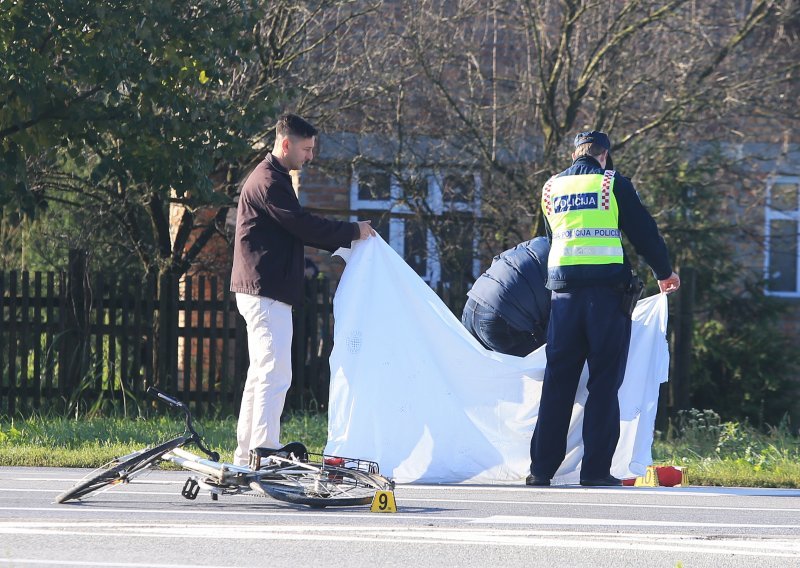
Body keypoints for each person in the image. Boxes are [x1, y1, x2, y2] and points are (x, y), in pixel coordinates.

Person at [527, 130, 680, 487]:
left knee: (558, 384)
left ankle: (541, 471)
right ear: (604, 155)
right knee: (603, 383)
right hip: (606, 299)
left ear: (576, 153)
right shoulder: (613, 184)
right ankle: (595, 472)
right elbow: (643, 232)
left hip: (562, 299)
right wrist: (664, 272)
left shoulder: (551, 189)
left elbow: (553, 241)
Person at [230, 113, 375, 466]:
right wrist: (353, 231)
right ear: (286, 144)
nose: (310, 156)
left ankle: (248, 452)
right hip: (265, 291)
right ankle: (264, 451)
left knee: (261, 372)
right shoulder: (269, 181)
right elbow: (302, 226)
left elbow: (294, 228)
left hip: (263, 288)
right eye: (307, 149)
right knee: (274, 372)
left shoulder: (273, 178)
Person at [461, 237, 551, 357]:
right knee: (532, 370)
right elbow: (555, 323)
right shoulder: (570, 267)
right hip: (501, 316)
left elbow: (498, 259)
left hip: (473, 300)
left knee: (476, 372)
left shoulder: (540, 241)